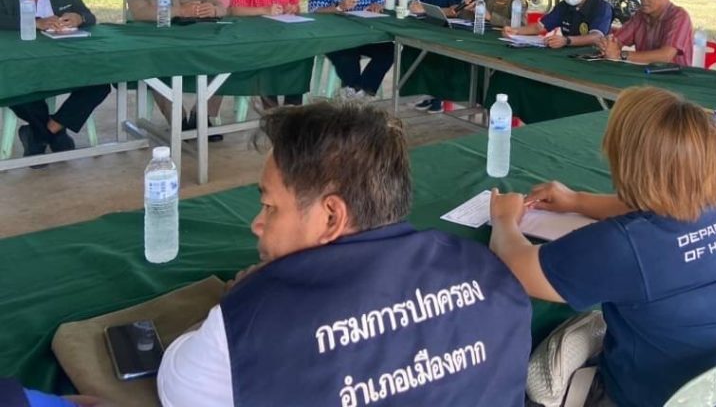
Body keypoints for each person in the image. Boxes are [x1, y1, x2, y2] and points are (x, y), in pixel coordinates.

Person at [157, 101, 532, 407]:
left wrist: (235, 299)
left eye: (269, 207)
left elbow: (177, 384)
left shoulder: (252, 320)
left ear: (332, 217)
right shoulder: (491, 273)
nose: (257, 224)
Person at [490, 87, 716, 407]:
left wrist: (504, 219)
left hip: (652, 396)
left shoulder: (626, 244)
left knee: (535, 361)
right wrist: (577, 201)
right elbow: (659, 205)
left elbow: (518, 266)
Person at [0, 0, 111, 157]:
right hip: (23, 64)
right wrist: (35, 22)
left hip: (65, 60)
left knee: (100, 81)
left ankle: (43, 133)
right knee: (12, 83)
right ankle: (55, 134)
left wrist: (78, 17)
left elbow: (89, 16)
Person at [127, 0, 226, 136]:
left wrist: (213, 10)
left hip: (196, 43)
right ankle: (178, 121)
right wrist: (180, 11)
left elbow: (223, 8)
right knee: (154, 67)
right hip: (158, 44)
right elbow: (139, 13)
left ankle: (202, 117)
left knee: (226, 59)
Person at [308, 0, 392, 99]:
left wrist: (377, 6)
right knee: (347, 56)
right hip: (336, 37)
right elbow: (314, 12)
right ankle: (355, 92)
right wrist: (338, 7)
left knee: (389, 51)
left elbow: (380, 2)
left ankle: (362, 91)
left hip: (366, 36)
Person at [229, 0, 303, 109]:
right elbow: (235, 10)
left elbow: (297, 8)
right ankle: (272, 111)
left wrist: (293, 9)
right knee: (268, 60)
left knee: (301, 56)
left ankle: (293, 109)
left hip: (283, 38)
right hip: (255, 40)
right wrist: (264, 10)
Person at [597, 0, 693, 66]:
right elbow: (617, 40)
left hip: (673, 75)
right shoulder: (640, 15)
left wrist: (621, 55)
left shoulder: (679, 17)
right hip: (643, 73)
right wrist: (607, 45)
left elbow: (665, 56)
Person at [409, 0, 466, 113]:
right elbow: (421, 1)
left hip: (450, 32)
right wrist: (415, 6)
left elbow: (455, 10)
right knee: (417, 53)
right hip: (431, 28)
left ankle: (438, 98)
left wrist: (431, 10)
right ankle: (428, 93)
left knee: (440, 60)